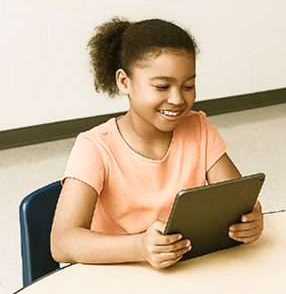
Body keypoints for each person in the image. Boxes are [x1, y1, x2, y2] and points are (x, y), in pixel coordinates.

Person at [51, 18, 264, 269]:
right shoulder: (94, 147)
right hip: (119, 276)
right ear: (124, 82)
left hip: (185, 273)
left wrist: (251, 218)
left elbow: (236, 199)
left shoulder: (199, 127)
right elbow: (62, 243)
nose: (177, 99)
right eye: (162, 86)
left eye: (188, 86)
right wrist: (139, 246)